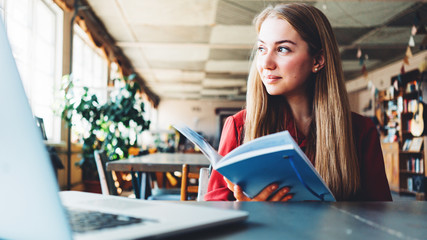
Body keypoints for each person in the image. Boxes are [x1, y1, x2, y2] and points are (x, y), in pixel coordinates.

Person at [205, 3, 392, 202]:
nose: (266, 63)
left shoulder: (360, 131)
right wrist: (248, 209)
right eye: (262, 48)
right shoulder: (238, 127)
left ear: (318, 60)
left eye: (283, 49)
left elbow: (379, 217)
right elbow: (213, 215)